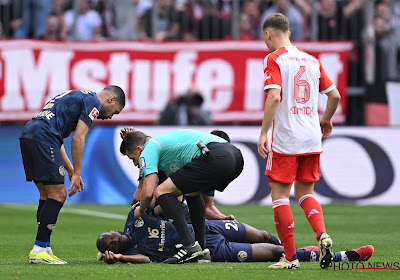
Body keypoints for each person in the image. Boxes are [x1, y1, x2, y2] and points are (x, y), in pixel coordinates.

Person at [257, 13, 341, 269]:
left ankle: (290, 258)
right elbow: (335, 95)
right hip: (312, 136)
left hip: (287, 137)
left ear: (268, 34)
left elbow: (274, 97)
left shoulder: (274, 58)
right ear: (289, 34)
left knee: (280, 196)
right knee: (306, 192)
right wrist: (326, 120)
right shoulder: (312, 60)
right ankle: (322, 234)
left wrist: (263, 132)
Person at [19, 85, 126, 264]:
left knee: (46, 195)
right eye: (114, 112)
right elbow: (78, 138)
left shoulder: (77, 95)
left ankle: (44, 248)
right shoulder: (93, 102)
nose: (109, 117)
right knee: (59, 195)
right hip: (44, 139)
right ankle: (39, 249)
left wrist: (70, 169)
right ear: (111, 99)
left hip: (30, 135)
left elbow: (57, 137)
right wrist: (77, 172)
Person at [95, 203, 374, 265]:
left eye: (111, 236)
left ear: (115, 230)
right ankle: (340, 256)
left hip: (208, 229)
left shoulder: (136, 218)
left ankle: (301, 251)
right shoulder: (134, 254)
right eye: (110, 244)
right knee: (276, 253)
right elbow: (146, 262)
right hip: (211, 252)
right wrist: (119, 257)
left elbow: (151, 198)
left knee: (265, 235)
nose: (114, 239)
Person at [119, 129, 244, 264]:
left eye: (132, 158)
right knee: (190, 192)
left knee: (161, 191)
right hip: (236, 157)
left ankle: (190, 247)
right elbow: (176, 193)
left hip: (215, 156)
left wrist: (141, 210)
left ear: (139, 149)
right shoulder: (168, 151)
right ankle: (202, 249)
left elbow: (149, 191)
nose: (135, 163)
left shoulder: (149, 148)